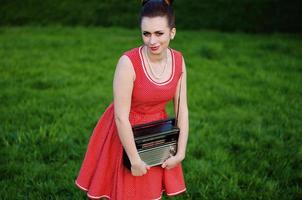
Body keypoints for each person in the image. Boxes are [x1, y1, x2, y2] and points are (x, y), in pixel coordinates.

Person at [75, 0, 189, 199]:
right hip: (125, 130)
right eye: (146, 33)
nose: (152, 41)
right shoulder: (128, 62)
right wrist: (134, 159)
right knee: (127, 191)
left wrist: (180, 152)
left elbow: (182, 109)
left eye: (159, 33)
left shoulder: (179, 60)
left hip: (156, 133)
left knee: (150, 191)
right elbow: (120, 116)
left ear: (172, 32)